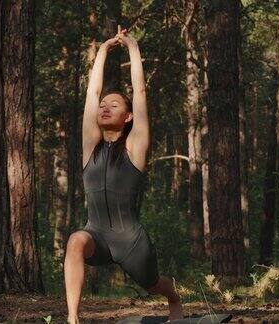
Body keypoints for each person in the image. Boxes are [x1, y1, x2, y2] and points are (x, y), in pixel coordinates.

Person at [63, 28, 183, 324]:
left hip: (131, 242)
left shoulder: (135, 146)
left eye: (114, 105)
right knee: (75, 240)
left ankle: (175, 297)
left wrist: (132, 48)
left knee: (153, 284)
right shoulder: (91, 146)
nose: (104, 107)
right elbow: (92, 93)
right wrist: (103, 49)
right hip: (97, 237)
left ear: (128, 116)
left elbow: (140, 93)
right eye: (103, 105)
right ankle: (72, 318)